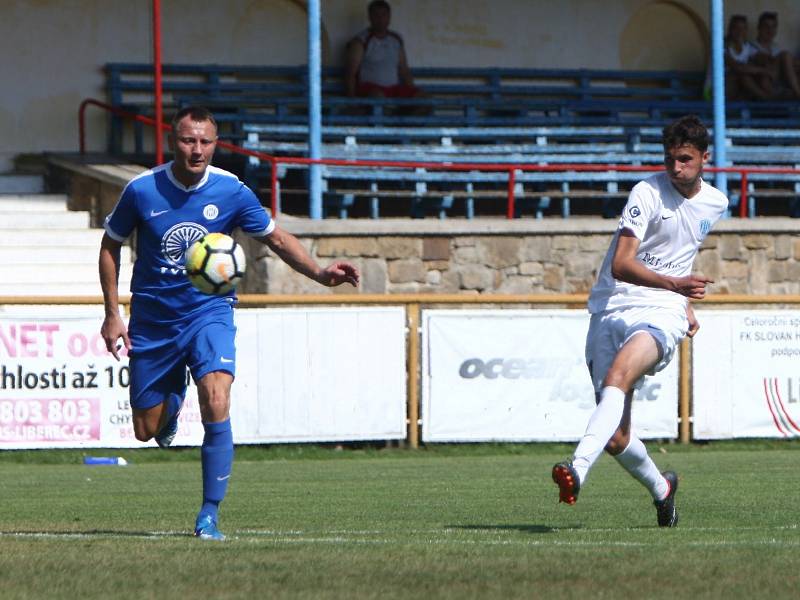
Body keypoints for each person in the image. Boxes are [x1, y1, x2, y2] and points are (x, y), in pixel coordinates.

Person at [99, 106, 360, 541]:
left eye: (204, 141)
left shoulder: (231, 191)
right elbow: (110, 247)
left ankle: (208, 515)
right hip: (154, 319)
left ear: (215, 144)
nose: (196, 149)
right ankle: (173, 396)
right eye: (187, 140)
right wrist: (112, 312)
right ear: (172, 141)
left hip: (209, 312)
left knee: (217, 395)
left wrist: (319, 274)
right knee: (145, 430)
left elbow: (275, 237)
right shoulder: (142, 191)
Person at [551, 115, 728, 527]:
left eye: (685, 159)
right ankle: (663, 491)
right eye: (669, 159)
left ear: (705, 157)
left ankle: (577, 469)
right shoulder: (646, 192)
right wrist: (678, 285)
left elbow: (680, 248)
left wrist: (678, 300)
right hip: (612, 306)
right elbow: (621, 264)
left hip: (660, 311)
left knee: (619, 374)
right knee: (617, 438)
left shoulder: (715, 202)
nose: (676, 168)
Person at [344, 0, 422, 100]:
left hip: (393, 90)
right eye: (376, 15)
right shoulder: (360, 42)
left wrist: (412, 93)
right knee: (378, 96)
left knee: (424, 98)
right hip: (370, 90)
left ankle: (399, 114)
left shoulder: (396, 40)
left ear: (389, 18)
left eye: (384, 15)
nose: (380, 19)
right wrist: (352, 101)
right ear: (370, 18)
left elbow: (404, 71)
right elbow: (350, 74)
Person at [751, 11, 800, 99]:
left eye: (773, 27)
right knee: (786, 56)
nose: (770, 30)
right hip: (764, 85)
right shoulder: (750, 47)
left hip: (781, 86)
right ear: (759, 28)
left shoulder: (776, 48)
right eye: (766, 26)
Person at [723, 15, 773, 100]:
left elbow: (763, 58)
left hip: (737, 90)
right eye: (736, 28)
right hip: (715, 92)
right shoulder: (721, 46)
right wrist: (761, 70)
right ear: (730, 30)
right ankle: (767, 98)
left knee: (758, 70)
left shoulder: (747, 46)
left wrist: (766, 66)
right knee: (741, 73)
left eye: (743, 29)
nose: (740, 32)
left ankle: (769, 98)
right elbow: (737, 67)